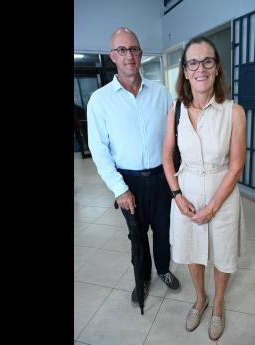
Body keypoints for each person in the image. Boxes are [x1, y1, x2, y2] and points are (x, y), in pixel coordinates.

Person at [87, 27, 180, 307]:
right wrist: (119, 189)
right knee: (137, 236)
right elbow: (99, 150)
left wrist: (177, 176)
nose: (130, 56)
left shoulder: (161, 93)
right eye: (122, 50)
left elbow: (174, 137)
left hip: (162, 176)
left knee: (164, 231)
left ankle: (163, 270)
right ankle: (143, 278)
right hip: (129, 182)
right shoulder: (100, 101)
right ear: (112, 55)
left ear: (140, 53)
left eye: (134, 49)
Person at [162, 36, 246, 341]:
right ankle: (200, 298)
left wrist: (212, 207)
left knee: (223, 254)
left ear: (217, 68)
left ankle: (219, 305)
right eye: (192, 62)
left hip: (222, 197)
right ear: (184, 71)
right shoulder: (175, 109)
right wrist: (177, 195)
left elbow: (236, 165)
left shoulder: (234, 111)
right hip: (186, 196)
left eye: (207, 61)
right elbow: (166, 156)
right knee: (192, 252)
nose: (200, 68)